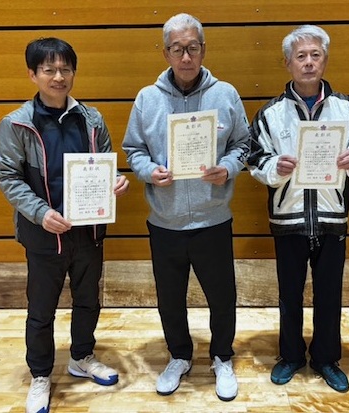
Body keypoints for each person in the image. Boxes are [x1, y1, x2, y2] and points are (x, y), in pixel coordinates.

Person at [0, 37, 129, 413]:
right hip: (44, 236)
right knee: (41, 310)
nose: (58, 77)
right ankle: (40, 374)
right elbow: (8, 177)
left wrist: (116, 181)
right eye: (49, 69)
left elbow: (106, 164)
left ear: (73, 72)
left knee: (88, 301)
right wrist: (40, 213)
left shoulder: (92, 119)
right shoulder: (16, 124)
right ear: (32, 74)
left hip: (89, 232)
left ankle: (82, 356)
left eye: (65, 69)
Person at [123, 13, 250, 402]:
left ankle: (222, 357)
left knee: (222, 297)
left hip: (213, 219)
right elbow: (133, 149)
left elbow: (243, 144)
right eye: (177, 49)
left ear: (203, 49)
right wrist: (149, 171)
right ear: (165, 53)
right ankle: (179, 356)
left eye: (192, 47)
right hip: (165, 221)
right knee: (170, 299)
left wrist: (228, 168)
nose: (186, 56)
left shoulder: (225, 94)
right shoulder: (147, 99)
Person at [247, 24, 349, 393]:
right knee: (289, 295)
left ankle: (326, 358)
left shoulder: (346, 109)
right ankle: (290, 356)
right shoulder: (271, 113)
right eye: (300, 56)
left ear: (325, 60)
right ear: (288, 63)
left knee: (329, 294)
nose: (308, 62)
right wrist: (276, 168)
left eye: (315, 55)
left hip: (332, 217)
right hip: (287, 219)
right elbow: (255, 161)